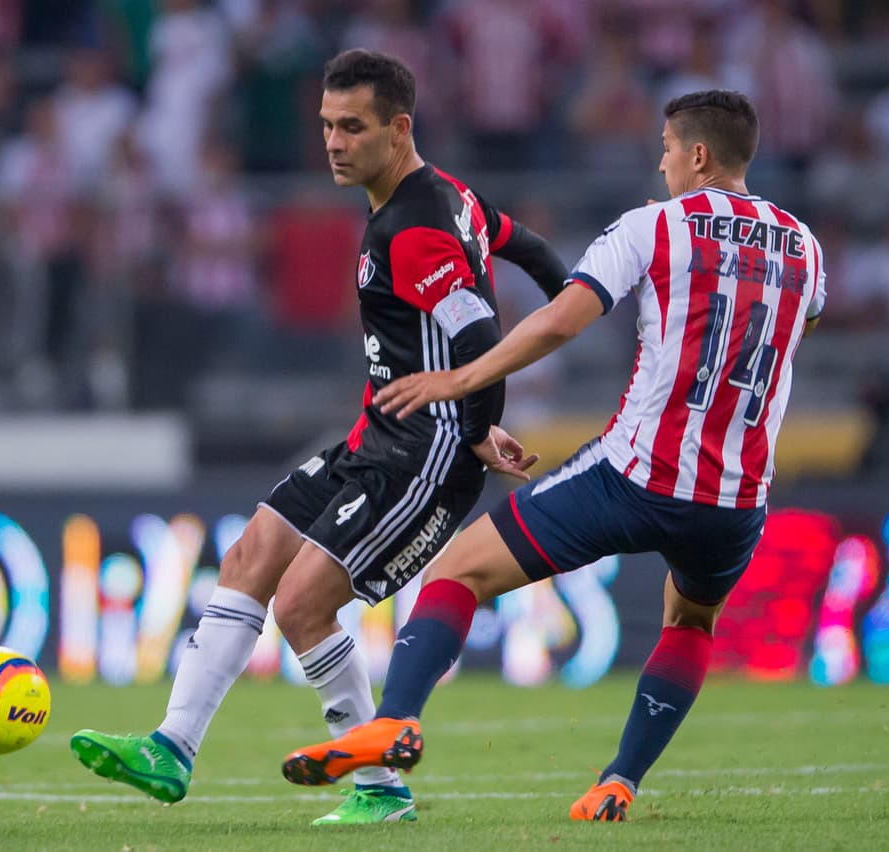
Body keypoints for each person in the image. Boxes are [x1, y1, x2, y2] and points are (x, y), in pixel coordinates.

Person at [281, 90, 827, 823]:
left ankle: (399, 717)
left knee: (459, 570)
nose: (661, 161)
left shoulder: (654, 227)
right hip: (735, 500)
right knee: (691, 623)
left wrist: (463, 378)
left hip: (634, 474)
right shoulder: (806, 248)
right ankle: (620, 781)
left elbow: (560, 321)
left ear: (697, 156)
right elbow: (797, 328)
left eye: (666, 147)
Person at [69, 48, 567, 826]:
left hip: (422, 456)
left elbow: (476, 342)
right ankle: (172, 747)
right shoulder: (447, 196)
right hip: (374, 437)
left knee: (302, 606)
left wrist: (473, 432)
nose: (333, 142)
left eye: (353, 127)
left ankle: (380, 787)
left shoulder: (413, 229)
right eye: (327, 125)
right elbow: (528, 250)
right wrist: (572, 297)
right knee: (250, 556)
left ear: (399, 130)